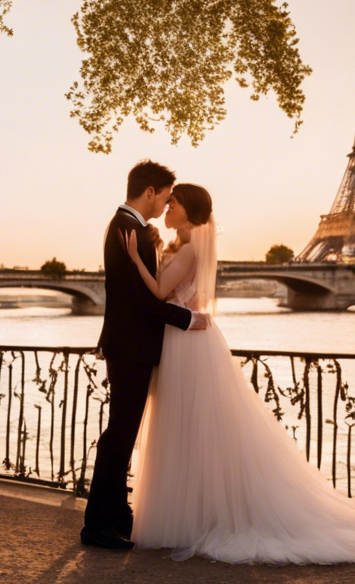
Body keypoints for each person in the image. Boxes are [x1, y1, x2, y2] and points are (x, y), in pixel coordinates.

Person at [121, 183, 355, 564]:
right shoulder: (185, 247)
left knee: (184, 427)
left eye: (173, 203)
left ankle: (187, 518)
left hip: (185, 343)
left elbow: (158, 293)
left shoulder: (188, 250)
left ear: (189, 210)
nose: (167, 207)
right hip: (189, 339)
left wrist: (137, 260)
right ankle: (199, 514)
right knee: (194, 429)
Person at [80, 161, 209, 551]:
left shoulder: (133, 227)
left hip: (131, 345)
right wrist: (185, 318)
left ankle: (116, 516)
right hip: (131, 346)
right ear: (150, 192)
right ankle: (97, 524)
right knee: (119, 435)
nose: (167, 204)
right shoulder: (127, 227)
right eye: (166, 196)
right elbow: (140, 298)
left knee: (123, 433)